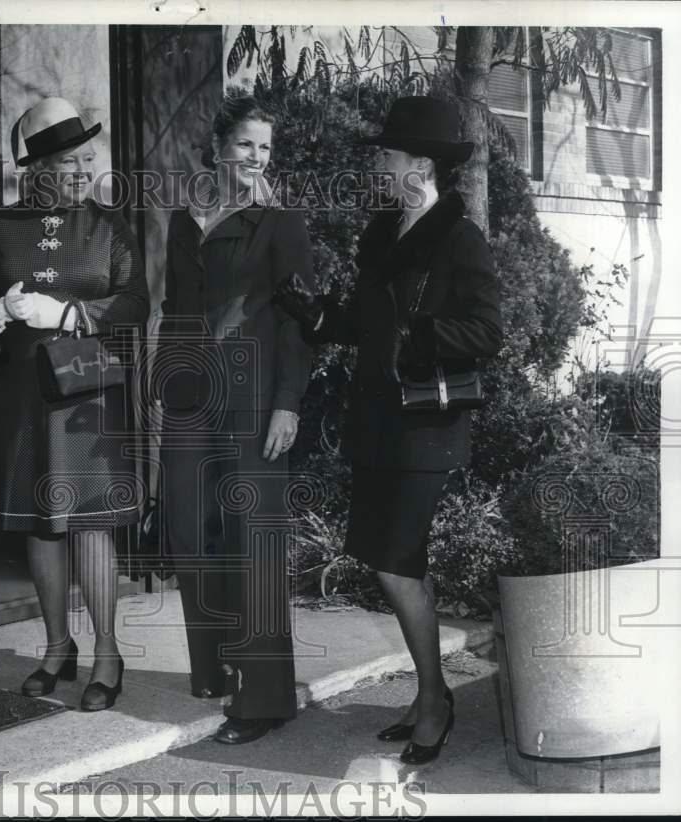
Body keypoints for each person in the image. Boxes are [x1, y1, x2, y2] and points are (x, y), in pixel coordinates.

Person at [274, 95, 503, 764]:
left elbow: (486, 332)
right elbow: (364, 325)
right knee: (391, 561)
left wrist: (416, 335)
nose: (380, 163)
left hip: (426, 429)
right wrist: (318, 317)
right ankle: (430, 692)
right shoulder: (384, 232)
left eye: (390, 154)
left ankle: (434, 698)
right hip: (377, 424)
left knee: (396, 563)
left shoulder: (460, 239)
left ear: (421, 165)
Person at [154, 91, 316, 745]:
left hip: (254, 400)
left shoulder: (280, 224)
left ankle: (265, 698)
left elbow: (302, 324)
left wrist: (288, 403)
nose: (256, 157)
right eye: (246, 144)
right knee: (192, 529)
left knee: (253, 539)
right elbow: (174, 305)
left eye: (265, 148)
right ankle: (215, 665)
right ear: (220, 148)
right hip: (192, 396)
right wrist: (164, 377)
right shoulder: (184, 218)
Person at [0, 97, 149, 712]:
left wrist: (72, 313)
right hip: (25, 393)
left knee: (91, 525)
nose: (83, 170)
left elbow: (135, 304)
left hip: (87, 395)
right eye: (71, 161)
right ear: (37, 168)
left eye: (88, 158)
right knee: (41, 525)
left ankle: (107, 651)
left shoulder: (108, 225)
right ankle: (57, 646)